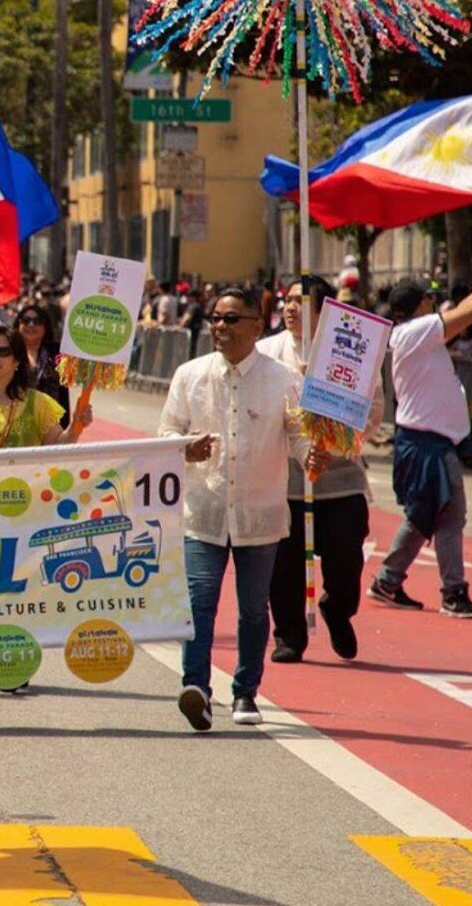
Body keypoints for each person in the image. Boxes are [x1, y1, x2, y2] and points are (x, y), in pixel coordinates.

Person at [158, 288, 317, 731]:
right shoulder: (189, 375)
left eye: (231, 320)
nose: (221, 328)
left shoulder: (284, 379)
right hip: (203, 513)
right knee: (199, 603)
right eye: (216, 319)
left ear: (256, 324)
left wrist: (312, 457)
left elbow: (300, 436)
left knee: (252, 609)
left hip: (259, 515)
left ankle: (246, 691)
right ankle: (196, 689)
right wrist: (184, 450)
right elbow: (167, 433)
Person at [369, 268, 472, 620]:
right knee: (448, 515)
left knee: (424, 515)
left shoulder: (418, 333)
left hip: (428, 440)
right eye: (430, 299)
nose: (435, 304)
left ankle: (389, 579)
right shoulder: (413, 332)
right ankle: (452, 590)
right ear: (419, 306)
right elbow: (469, 313)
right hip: (425, 442)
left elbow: (464, 309)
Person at [255, 275, 376, 664]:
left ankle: (338, 609)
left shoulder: (353, 353)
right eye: (287, 301)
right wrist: (300, 446)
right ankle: (289, 635)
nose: (291, 308)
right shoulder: (265, 353)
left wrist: (332, 444)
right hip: (285, 480)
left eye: (301, 301)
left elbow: (373, 413)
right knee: (285, 565)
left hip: (340, 478)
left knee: (346, 557)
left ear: (324, 309)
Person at [0, 326, 89, 450]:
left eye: (1, 351)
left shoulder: (37, 402)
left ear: (17, 361)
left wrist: (75, 427)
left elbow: (58, 448)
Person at [15, 304, 71, 426]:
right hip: (17, 424)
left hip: (51, 424)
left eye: (37, 321)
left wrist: (65, 425)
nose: (31, 325)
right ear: (18, 325)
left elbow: (63, 391)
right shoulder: (8, 353)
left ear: (45, 327)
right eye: (26, 320)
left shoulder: (57, 353)